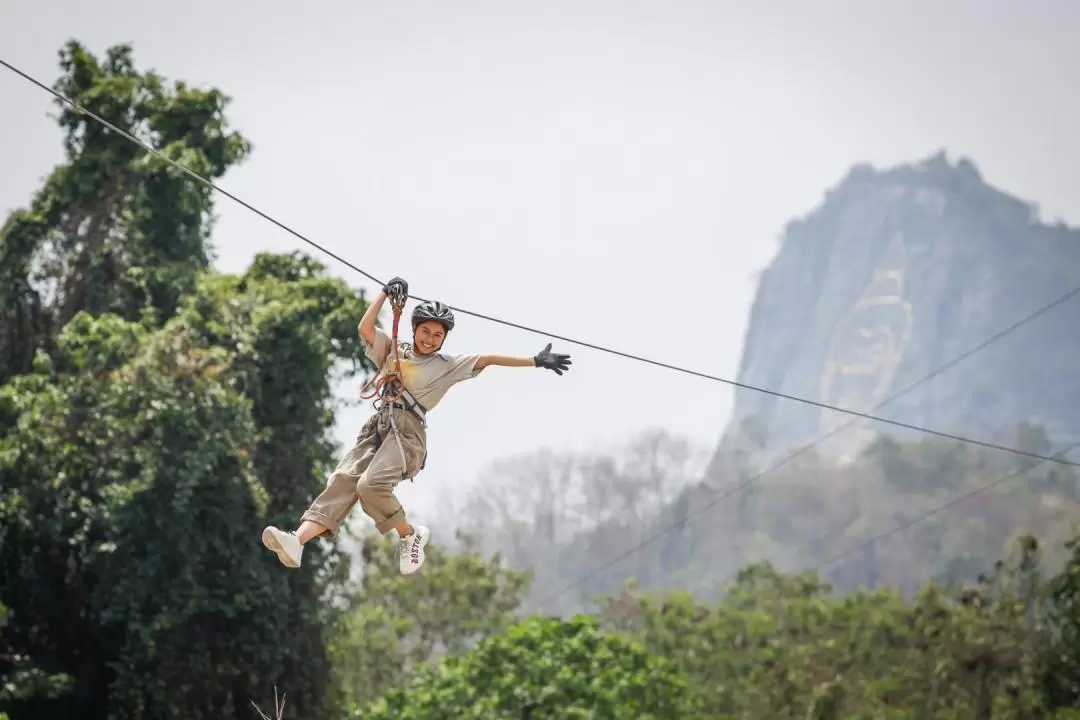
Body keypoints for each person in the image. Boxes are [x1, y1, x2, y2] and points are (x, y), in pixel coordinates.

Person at [261, 275, 572, 574]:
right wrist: (384, 293)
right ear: (414, 329)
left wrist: (534, 360)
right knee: (344, 479)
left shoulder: (446, 366)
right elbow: (365, 328)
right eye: (426, 332)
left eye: (438, 335)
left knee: (370, 485)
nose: (431, 339)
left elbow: (487, 358)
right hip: (378, 426)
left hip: (407, 435)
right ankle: (297, 540)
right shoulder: (395, 349)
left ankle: (410, 535)